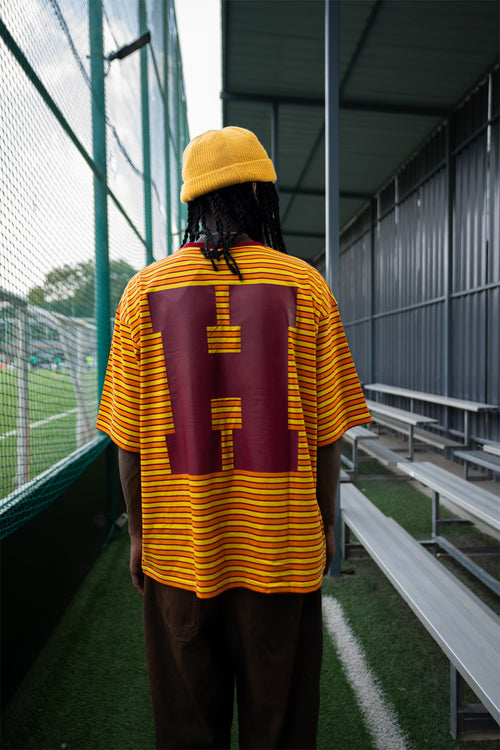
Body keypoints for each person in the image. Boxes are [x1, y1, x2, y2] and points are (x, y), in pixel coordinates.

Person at [96, 126, 370, 749]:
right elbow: (326, 434)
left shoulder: (142, 293)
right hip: (280, 549)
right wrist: (322, 523)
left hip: (181, 551)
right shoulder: (306, 286)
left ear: (194, 202)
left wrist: (139, 534)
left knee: (189, 731)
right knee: (280, 731)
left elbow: (129, 443)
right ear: (259, 193)